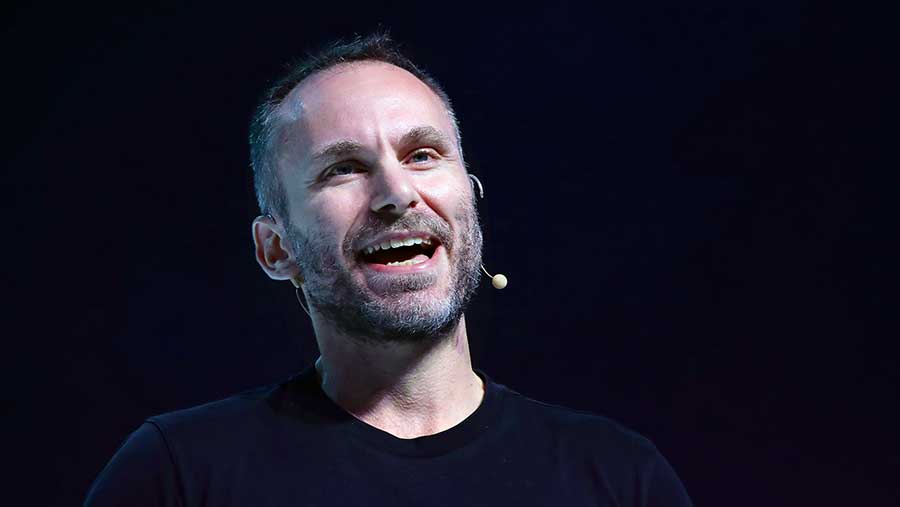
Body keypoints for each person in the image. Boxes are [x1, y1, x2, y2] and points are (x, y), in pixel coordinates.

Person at [85, 33, 693, 506]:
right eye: (343, 168)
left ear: (471, 199)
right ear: (275, 249)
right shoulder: (178, 474)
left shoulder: (620, 477)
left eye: (422, 155)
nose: (397, 193)